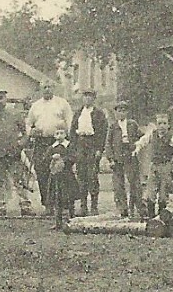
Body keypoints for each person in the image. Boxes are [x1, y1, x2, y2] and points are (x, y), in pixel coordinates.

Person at [0, 90, 33, 215]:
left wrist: (22, 143)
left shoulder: (15, 114)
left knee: (19, 180)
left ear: (6, 99)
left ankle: (25, 205)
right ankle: (0, 205)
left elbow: (25, 133)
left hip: (14, 152)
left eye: (1, 98)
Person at [25, 82, 73, 207]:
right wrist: (31, 131)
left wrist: (66, 139)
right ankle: (47, 204)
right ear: (41, 90)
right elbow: (28, 124)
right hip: (41, 142)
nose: (47, 89)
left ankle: (62, 203)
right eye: (44, 87)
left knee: (60, 171)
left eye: (49, 87)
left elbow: (70, 122)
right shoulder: (35, 106)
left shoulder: (62, 103)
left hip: (58, 141)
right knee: (42, 172)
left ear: (53, 88)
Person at [137, 111, 173, 218]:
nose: (162, 126)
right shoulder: (152, 135)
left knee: (163, 192)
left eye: (164, 123)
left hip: (166, 166)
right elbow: (142, 141)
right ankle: (151, 217)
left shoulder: (172, 137)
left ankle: (161, 218)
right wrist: (137, 148)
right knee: (151, 191)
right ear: (156, 125)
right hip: (154, 166)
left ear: (168, 125)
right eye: (159, 123)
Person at [70, 89, 108, 217]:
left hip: (92, 144)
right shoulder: (78, 113)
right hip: (80, 144)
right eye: (85, 96)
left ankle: (94, 206)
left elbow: (102, 133)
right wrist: (74, 149)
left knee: (92, 176)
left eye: (90, 97)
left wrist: (99, 149)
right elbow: (72, 131)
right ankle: (83, 206)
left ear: (94, 99)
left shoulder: (99, 114)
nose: (87, 99)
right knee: (81, 176)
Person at [105, 100, 144, 218]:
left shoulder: (132, 124)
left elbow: (142, 136)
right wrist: (110, 159)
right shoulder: (113, 126)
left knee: (134, 183)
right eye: (119, 111)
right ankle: (123, 208)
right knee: (118, 185)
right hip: (117, 157)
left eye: (124, 110)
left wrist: (137, 146)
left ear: (127, 112)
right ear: (115, 112)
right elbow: (108, 143)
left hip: (130, 155)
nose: (121, 113)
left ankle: (139, 207)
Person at [45, 153, 81, 231]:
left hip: (67, 177)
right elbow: (46, 158)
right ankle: (58, 222)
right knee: (56, 200)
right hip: (55, 178)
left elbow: (73, 158)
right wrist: (52, 158)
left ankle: (72, 221)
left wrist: (62, 159)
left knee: (69, 199)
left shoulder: (68, 146)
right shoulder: (52, 147)